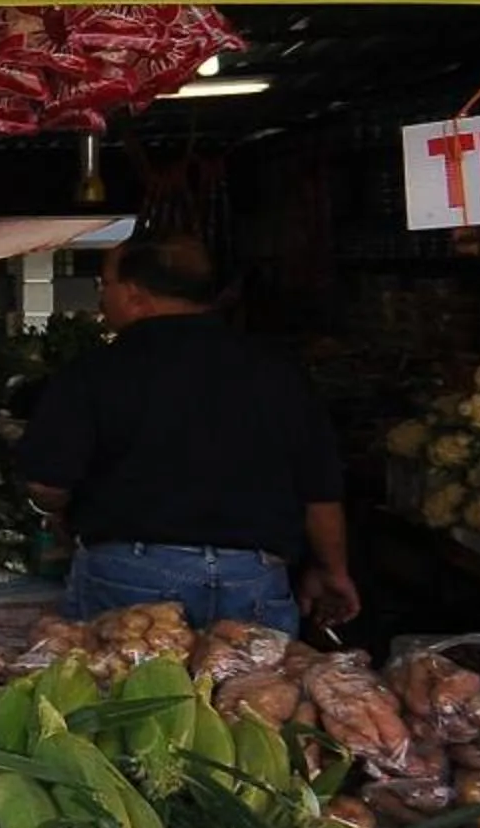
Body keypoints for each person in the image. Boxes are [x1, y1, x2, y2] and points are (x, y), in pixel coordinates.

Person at [19, 233, 357, 633]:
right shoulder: (277, 371)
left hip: (131, 574)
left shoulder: (95, 371)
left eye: (105, 285)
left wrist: (54, 513)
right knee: (248, 676)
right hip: (252, 575)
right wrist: (333, 570)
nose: (101, 298)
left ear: (134, 294)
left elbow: (47, 484)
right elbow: (320, 489)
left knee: (127, 674)